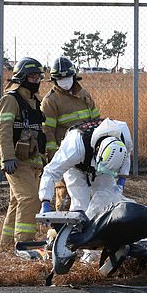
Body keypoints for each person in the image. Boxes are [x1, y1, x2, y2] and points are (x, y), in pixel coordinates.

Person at [0, 57, 47, 246]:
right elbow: (2, 130)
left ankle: (6, 244)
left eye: (38, 77)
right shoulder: (10, 100)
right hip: (16, 161)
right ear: (22, 77)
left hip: (33, 161)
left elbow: (41, 131)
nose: (37, 81)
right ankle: (25, 243)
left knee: (17, 202)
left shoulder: (35, 101)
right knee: (30, 199)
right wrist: (7, 157)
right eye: (32, 78)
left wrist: (44, 157)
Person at [41, 56, 100, 211]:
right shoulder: (50, 101)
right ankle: (59, 231)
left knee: (90, 193)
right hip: (66, 154)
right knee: (64, 194)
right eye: (60, 78)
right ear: (54, 80)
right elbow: (48, 131)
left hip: (88, 153)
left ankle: (88, 228)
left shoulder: (84, 95)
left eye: (67, 77)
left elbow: (96, 121)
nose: (64, 81)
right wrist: (54, 156)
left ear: (73, 76)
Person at [38, 118, 132, 214]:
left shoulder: (123, 135)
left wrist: (121, 181)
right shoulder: (74, 146)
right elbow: (51, 171)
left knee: (108, 204)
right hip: (76, 168)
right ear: (98, 151)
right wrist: (45, 201)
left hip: (102, 168)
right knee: (81, 206)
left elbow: (127, 154)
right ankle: (78, 226)